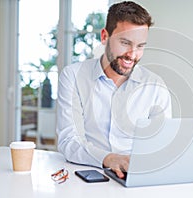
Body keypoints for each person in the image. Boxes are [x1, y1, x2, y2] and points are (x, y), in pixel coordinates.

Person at [56, 1, 172, 179]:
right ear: (105, 36)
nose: (132, 54)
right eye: (125, 43)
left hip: (134, 177)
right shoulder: (73, 76)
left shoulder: (156, 86)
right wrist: (109, 159)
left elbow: (160, 146)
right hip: (85, 175)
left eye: (140, 46)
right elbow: (69, 141)